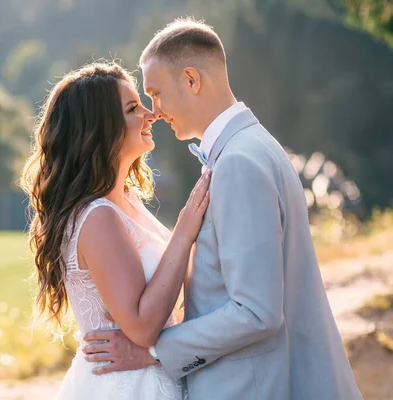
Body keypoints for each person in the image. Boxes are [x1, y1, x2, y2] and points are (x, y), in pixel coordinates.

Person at [82, 17, 363, 400]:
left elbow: (256, 311)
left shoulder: (239, 162)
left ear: (192, 80)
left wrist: (154, 351)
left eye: (157, 93)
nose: (156, 111)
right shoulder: (251, 146)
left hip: (249, 386)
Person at [21, 61, 210, 399]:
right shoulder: (98, 216)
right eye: (132, 108)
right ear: (101, 127)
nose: (150, 115)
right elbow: (141, 327)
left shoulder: (127, 201)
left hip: (151, 377)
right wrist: (184, 233)